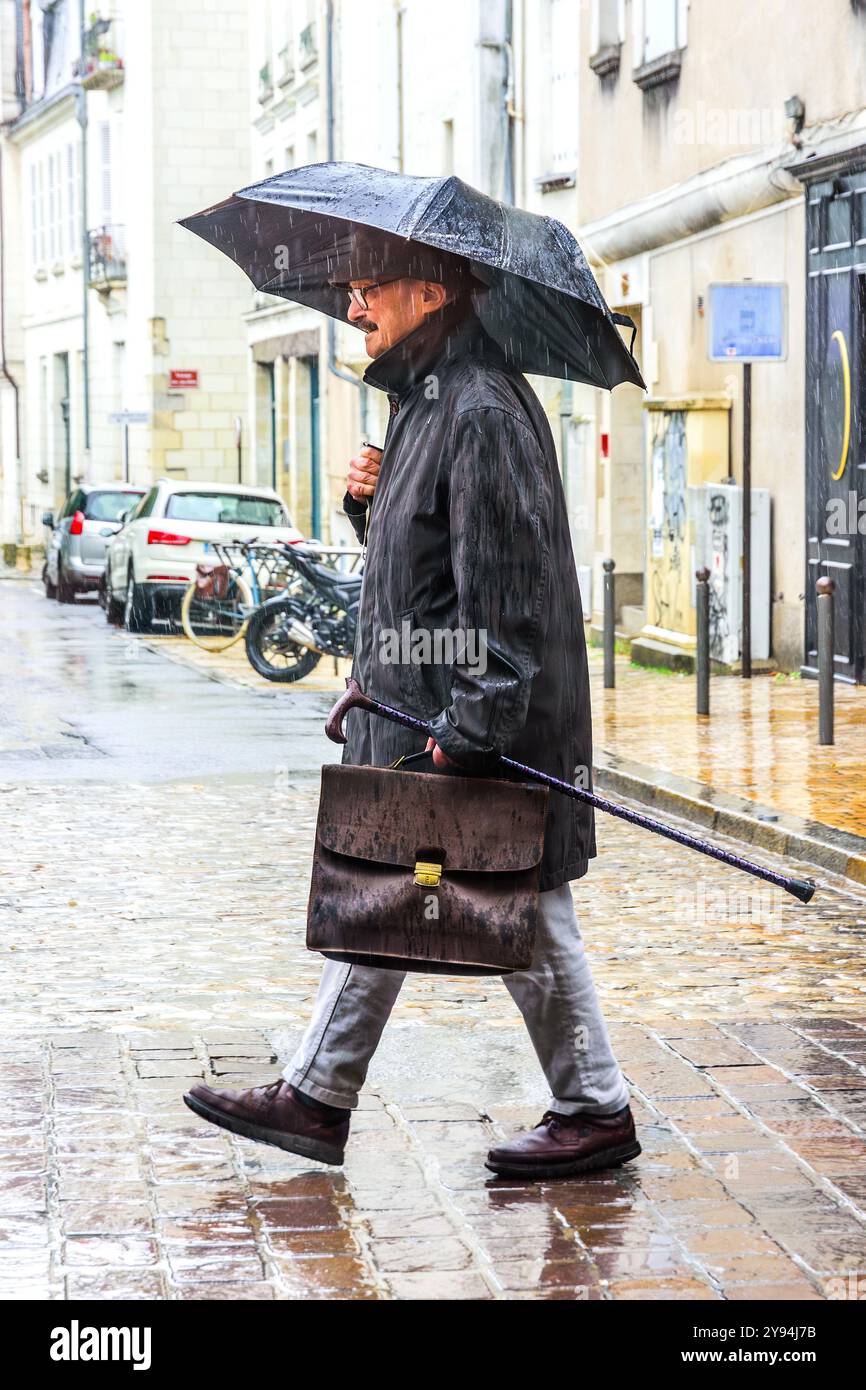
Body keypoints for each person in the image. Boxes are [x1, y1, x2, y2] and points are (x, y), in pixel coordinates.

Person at [185, 247, 640, 1180]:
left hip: (463, 723)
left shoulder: (476, 410)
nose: (354, 306)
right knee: (384, 899)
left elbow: (505, 593)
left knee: (520, 904)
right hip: (420, 712)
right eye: (350, 290)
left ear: (430, 294)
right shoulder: (433, 400)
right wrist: (372, 503)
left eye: (369, 289)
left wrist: (471, 732)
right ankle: (319, 1098)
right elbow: (430, 568)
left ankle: (592, 1110)